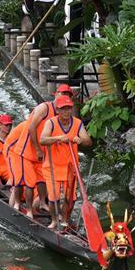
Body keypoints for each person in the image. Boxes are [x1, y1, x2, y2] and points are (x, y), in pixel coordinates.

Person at [14, 84, 74, 218]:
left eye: (67, 96)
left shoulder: (61, 114)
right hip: (28, 150)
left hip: (42, 154)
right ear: (56, 94)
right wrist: (37, 149)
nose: (64, 97)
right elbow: (31, 128)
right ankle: (27, 209)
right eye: (62, 94)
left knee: (42, 180)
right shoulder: (44, 108)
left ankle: (42, 203)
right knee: (28, 182)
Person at [39, 94, 92, 229]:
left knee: (71, 198)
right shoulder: (51, 123)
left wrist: (80, 140)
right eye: (63, 109)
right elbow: (43, 139)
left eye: (68, 108)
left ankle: (65, 220)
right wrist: (58, 138)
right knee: (54, 197)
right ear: (57, 110)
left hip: (70, 166)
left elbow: (88, 141)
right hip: (52, 166)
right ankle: (54, 221)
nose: (66, 112)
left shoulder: (77, 123)